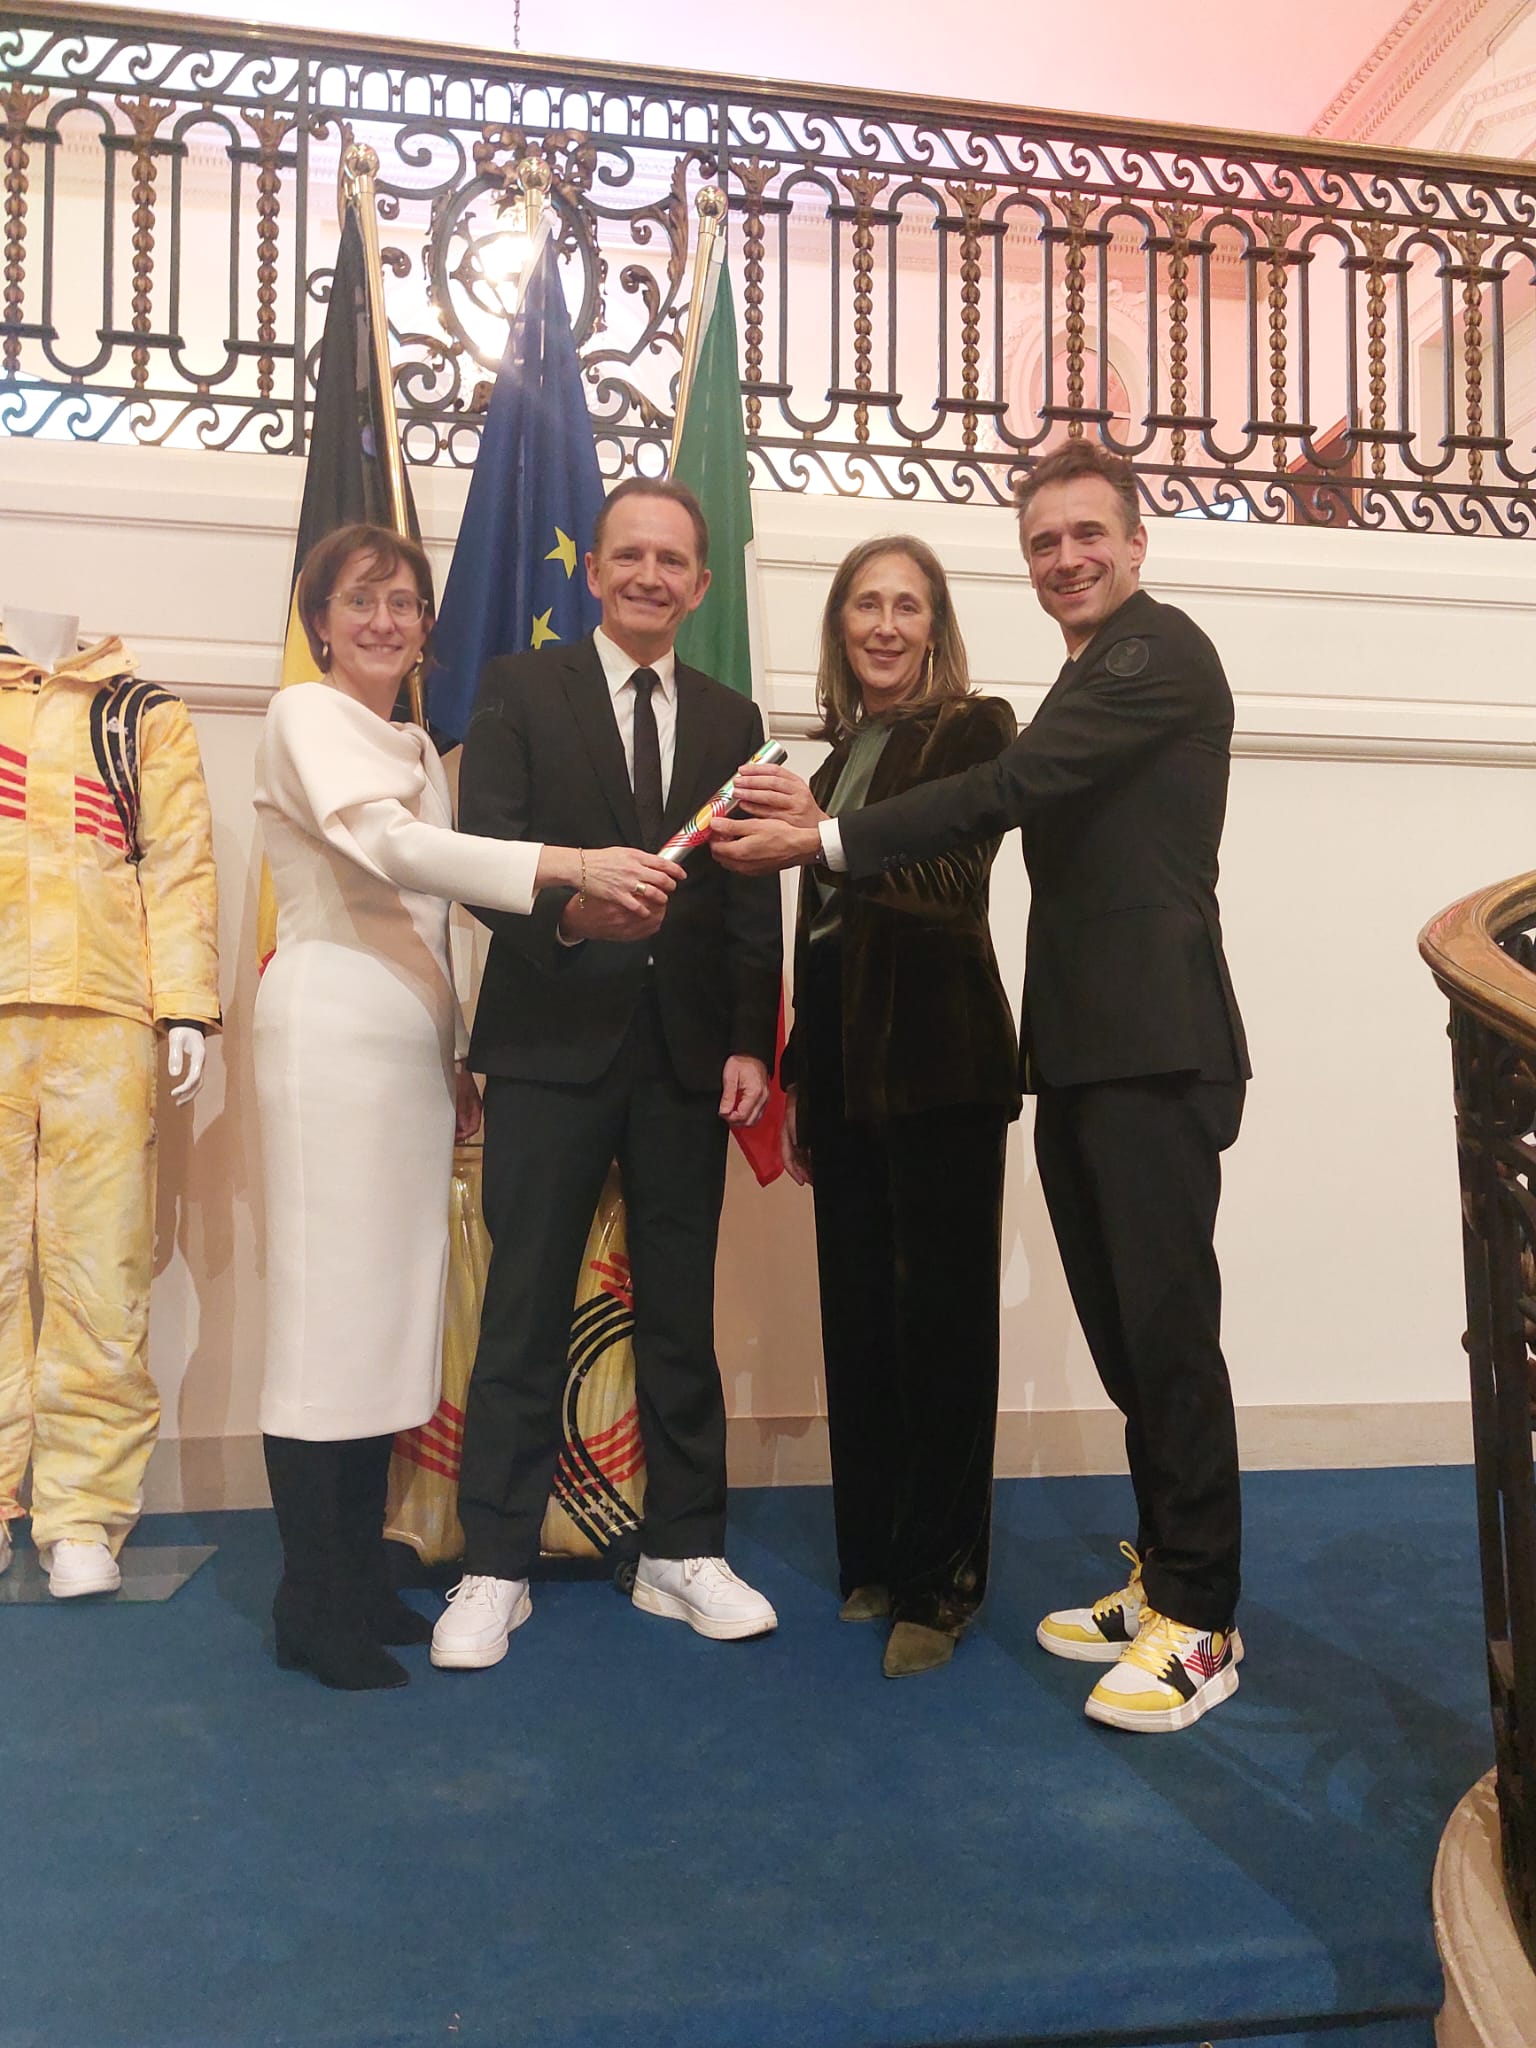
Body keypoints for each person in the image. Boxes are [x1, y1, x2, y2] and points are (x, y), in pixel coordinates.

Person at [715, 442, 1251, 1734]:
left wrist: (823, 834)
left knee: (1167, 1337)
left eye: (1089, 533)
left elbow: (1003, 791)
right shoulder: (1087, 674)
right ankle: (1164, 1571)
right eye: (1044, 541)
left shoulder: (1155, 650)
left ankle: (1203, 1620)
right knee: (1127, 1337)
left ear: (1137, 542)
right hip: (1080, 1049)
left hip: (1157, 1043)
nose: (1067, 557)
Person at [253, 521, 678, 1691]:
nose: (384, 620)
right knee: (326, 1325)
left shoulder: (409, 740)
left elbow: (433, 917)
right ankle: (309, 1598)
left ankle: (356, 1572)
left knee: (391, 1316)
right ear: (319, 619)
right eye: (359, 600)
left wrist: (452, 1053)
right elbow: (394, 852)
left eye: (404, 602)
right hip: (329, 1034)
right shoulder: (304, 714)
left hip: (403, 1047)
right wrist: (570, 863)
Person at [429, 477, 782, 1673]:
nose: (648, 575)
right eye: (629, 554)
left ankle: (686, 1547)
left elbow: (748, 893)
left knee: (680, 1313)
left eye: (671, 560)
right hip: (547, 1043)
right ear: (593, 570)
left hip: (685, 1061)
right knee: (523, 1307)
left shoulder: (733, 716)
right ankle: (495, 1561)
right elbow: (484, 855)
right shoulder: (519, 687)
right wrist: (573, 915)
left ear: (701, 583)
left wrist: (749, 1038)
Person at [779, 537, 1019, 1679]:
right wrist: (801, 1079)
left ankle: (941, 1585)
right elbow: (821, 941)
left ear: (935, 627)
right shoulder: (833, 759)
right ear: (840, 625)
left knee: (944, 1334)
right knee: (861, 1326)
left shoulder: (975, 731)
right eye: (865, 605)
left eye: (906, 606)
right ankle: (874, 1558)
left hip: (942, 1073)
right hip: (842, 1083)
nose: (884, 625)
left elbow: (949, 884)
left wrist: (820, 836)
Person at [0, 608, 219, 1597]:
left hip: (106, 1014)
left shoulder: (142, 713)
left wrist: (185, 1005)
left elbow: (177, 866)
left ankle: (82, 1513)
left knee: (102, 1272)